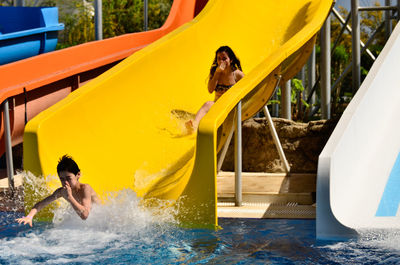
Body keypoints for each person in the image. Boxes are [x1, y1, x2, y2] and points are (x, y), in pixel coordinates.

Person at [16, 155, 100, 227]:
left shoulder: (85, 189)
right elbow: (42, 203)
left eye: (68, 178)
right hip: (86, 223)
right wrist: (29, 216)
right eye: (62, 179)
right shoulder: (62, 191)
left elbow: (85, 215)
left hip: (99, 220)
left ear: (78, 175)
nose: (65, 182)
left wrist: (70, 197)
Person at [186, 46, 244, 132]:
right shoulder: (215, 71)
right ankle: (194, 125)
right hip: (217, 106)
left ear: (231, 60)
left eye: (224, 59)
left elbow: (248, 87)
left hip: (231, 107)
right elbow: (210, 90)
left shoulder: (237, 74)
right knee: (208, 104)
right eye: (219, 59)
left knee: (209, 105)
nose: (221, 61)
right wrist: (217, 73)